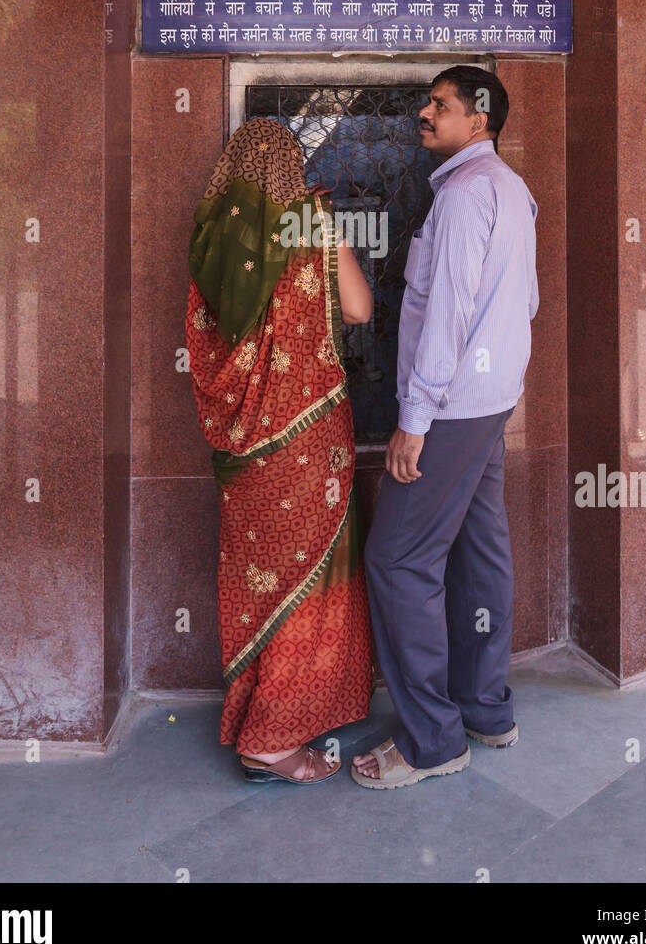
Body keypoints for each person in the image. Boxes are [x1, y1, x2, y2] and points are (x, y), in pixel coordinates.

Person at [352, 65, 539, 790]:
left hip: (453, 407)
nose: (424, 114)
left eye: (440, 106)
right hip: (491, 399)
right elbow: (522, 305)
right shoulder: (510, 190)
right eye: (428, 103)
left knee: (398, 560)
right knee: (479, 550)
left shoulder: (464, 198)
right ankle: (487, 711)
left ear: (479, 119)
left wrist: (414, 420)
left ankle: (432, 739)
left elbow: (449, 316)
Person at [185, 115, 374, 784]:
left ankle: (253, 715)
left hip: (243, 451)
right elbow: (357, 309)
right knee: (310, 580)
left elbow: (211, 342)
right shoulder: (310, 225)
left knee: (258, 583)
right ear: (290, 167)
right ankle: (270, 742)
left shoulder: (214, 236)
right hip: (311, 437)